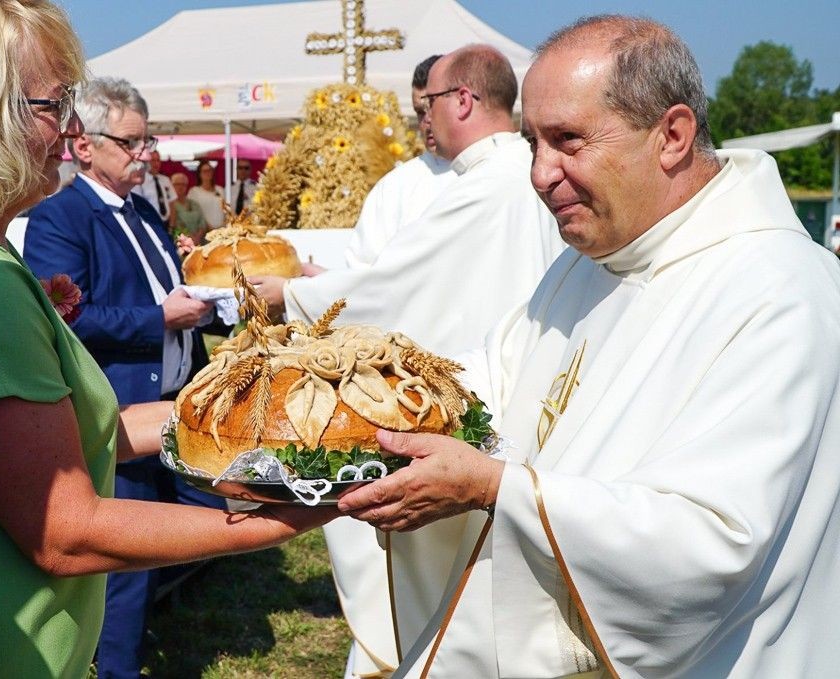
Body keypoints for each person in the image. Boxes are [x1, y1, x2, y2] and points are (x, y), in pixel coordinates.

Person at [340, 15, 840, 677]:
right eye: (532, 143)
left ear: (673, 135)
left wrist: (495, 489)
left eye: (567, 140)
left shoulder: (779, 290)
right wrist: (353, 421)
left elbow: (716, 542)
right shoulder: (590, 261)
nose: (541, 174)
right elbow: (484, 385)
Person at [0, 5, 333, 678]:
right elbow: (63, 529)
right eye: (56, 104)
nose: (72, 130)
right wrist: (283, 518)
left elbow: (80, 430)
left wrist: (248, 414)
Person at [251, 45, 563, 677]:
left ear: (464, 101)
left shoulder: (488, 181)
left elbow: (395, 283)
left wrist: (293, 296)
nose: (425, 119)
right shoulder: (523, 170)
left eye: (430, 104)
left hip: (473, 407)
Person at [24, 76, 231, 679]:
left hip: (178, 402)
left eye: (148, 142)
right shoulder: (60, 217)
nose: (145, 155)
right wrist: (157, 319)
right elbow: (67, 315)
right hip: (122, 413)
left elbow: (169, 289)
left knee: (194, 526)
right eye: (132, 143)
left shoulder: (142, 210)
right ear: (84, 146)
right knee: (123, 578)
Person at [344, 54, 456, 269]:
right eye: (420, 112)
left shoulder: (496, 167)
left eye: (433, 108)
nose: (427, 121)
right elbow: (362, 270)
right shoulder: (395, 186)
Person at [134, 150, 175, 225]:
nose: (156, 163)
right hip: (150, 222)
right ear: (146, 162)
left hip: (166, 223)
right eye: (152, 160)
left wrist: (172, 225)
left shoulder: (166, 180)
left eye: (158, 160)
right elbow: (137, 205)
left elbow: (172, 203)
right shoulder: (140, 180)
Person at [169, 171, 207, 241]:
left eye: (183, 184)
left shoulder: (195, 204)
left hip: (199, 242)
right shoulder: (170, 205)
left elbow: (202, 224)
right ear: (171, 186)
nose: (180, 187)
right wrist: (190, 238)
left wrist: (197, 238)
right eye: (177, 184)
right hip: (179, 242)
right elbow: (175, 225)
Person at [188, 160, 227, 229]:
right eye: (204, 171)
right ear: (199, 174)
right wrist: (208, 227)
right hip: (203, 231)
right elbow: (194, 213)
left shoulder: (220, 190)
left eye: (209, 170)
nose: (208, 173)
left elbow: (226, 209)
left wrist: (223, 226)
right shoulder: (194, 191)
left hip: (222, 230)